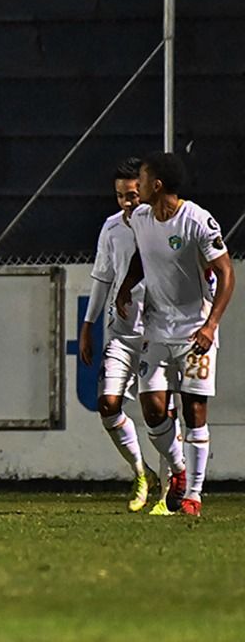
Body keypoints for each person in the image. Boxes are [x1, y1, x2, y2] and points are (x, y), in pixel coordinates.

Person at [115, 151, 235, 517]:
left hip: (195, 330)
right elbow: (141, 256)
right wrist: (125, 286)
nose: (138, 184)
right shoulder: (139, 218)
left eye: (144, 177)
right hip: (156, 326)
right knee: (152, 409)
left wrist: (210, 325)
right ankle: (179, 470)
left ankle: (193, 496)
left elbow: (226, 273)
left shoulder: (197, 220)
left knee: (194, 409)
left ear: (158, 184)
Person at [78, 157, 177, 514]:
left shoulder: (163, 225)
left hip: (159, 331)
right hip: (121, 332)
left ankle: (171, 492)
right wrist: (88, 326)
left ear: (148, 189)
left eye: (133, 194)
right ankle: (141, 472)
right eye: (121, 196)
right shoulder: (111, 228)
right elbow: (102, 277)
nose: (127, 203)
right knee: (108, 406)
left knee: (161, 411)